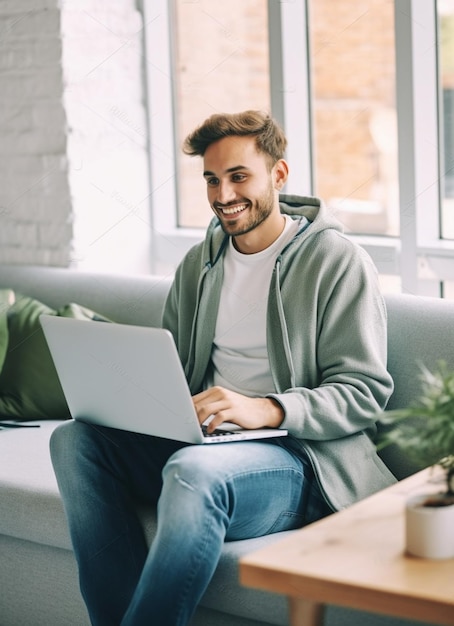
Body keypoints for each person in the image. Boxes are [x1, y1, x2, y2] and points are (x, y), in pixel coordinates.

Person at [50, 110, 395, 626]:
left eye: (239, 177)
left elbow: (364, 391)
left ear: (278, 175)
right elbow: (174, 368)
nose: (223, 195)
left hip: (296, 458)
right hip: (205, 442)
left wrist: (265, 409)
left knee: (192, 473)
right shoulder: (199, 264)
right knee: (74, 441)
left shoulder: (336, 260)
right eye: (212, 179)